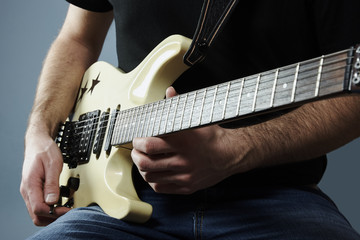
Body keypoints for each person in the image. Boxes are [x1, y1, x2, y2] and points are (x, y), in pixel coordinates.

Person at [21, 0, 360, 239]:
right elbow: (77, 36)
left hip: (278, 196)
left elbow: (354, 96)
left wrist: (239, 148)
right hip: (128, 201)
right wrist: (39, 133)